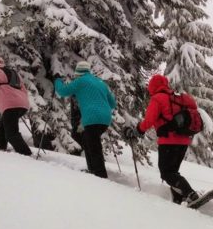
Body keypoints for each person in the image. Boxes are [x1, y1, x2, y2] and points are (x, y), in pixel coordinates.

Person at [122, 74, 200, 205]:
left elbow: (149, 120)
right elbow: (194, 108)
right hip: (184, 141)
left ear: (153, 86)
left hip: (168, 141)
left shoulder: (158, 98)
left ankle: (190, 193)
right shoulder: (178, 98)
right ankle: (178, 199)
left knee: (166, 173)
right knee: (173, 172)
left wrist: (137, 131)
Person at [54, 61, 115, 178]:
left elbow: (62, 91)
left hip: (92, 118)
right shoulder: (100, 82)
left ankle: (100, 176)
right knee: (88, 142)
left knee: (93, 146)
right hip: (105, 119)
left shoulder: (80, 81)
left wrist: (57, 80)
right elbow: (112, 104)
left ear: (78, 73)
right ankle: (93, 171)